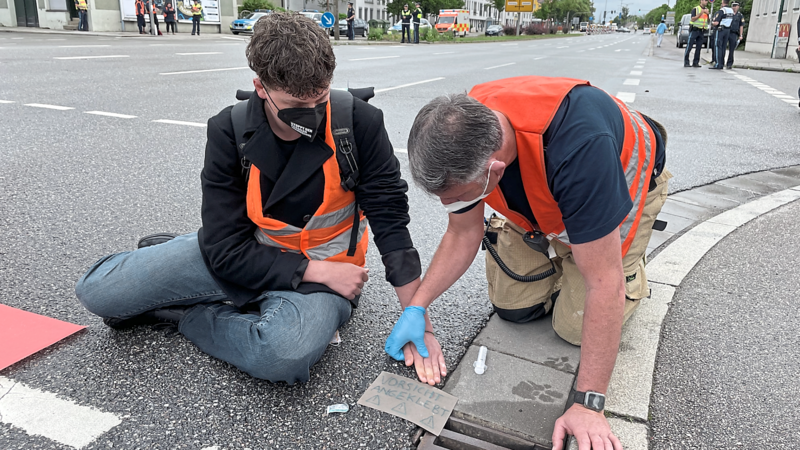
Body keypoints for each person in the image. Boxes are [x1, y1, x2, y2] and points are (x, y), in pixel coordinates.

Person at [75, 13, 429, 386]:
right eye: (295, 104)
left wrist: (416, 313)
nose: (310, 115)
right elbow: (226, 247)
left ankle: (187, 314)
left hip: (330, 274)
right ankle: (186, 270)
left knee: (279, 354)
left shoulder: (359, 124)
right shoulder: (228, 130)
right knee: (97, 292)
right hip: (247, 257)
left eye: (320, 99)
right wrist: (309, 269)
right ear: (261, 87)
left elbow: (391, 220)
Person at [386, 76, 670, 449]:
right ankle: (565, 250)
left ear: (495, 171)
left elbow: (604, 283)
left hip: (618, 181)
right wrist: (418, 307)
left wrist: (589, 403)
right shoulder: (466, 128)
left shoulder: (581, 151)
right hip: (547, 199)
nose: (450, 206)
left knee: (574, 326)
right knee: (513, 308)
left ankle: (619, 264)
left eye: (459, 197)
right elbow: (461, 233)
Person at [709, 0, 734, 69]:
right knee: (723, 47)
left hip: (721, 30)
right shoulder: (731, 10)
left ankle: (718, 64)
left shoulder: (722, 10)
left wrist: (712, 22)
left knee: (718, 46)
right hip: (727, 30)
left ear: (723, 2)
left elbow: (716, 23)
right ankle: (722, 63)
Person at [684, 0, 709, 67]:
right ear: (701, 1)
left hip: (702, 31)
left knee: (699, 48)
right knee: (689, 46)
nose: (706, 2)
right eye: (705, 0)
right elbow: (693, 19)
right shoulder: (696, 9)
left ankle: (696, 62)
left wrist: (708, 14)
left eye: (707, 1)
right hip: (694, 30)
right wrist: (701, 13)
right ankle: (686, 62)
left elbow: (707, 21)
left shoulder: (706, 10)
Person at [725, 2, 744, 69]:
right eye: (733, 6)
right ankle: (720, 62)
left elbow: (741, 26)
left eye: (735, 6)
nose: (734, 7)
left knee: (731, 49)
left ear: (738, 7)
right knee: (723, 47)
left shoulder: (740, 15)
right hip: (727, 32)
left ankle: (729, 63)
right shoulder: (729, 14)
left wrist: (741, 35)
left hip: (734, 33)